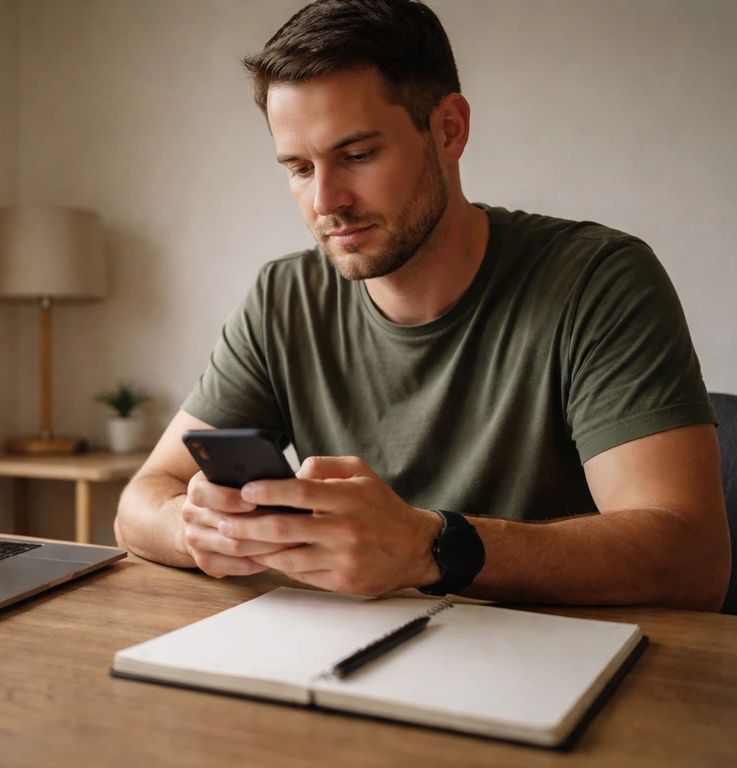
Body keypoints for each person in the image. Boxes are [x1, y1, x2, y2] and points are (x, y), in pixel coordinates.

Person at [113, 0, 730, 610]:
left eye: (357, 155)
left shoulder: (598, 280)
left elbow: (694, 559)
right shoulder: (283, 299)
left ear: (449, 130)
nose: (326, 201)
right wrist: (198, 530)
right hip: (347, 649)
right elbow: (142, 501)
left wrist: (430, 548)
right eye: (299, 168)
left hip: (557, 652)